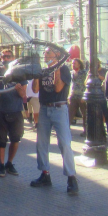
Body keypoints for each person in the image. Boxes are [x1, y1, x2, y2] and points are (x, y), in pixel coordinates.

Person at [30, 47, 78, 195]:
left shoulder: (63, 70)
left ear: (57, 55)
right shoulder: (43, 70)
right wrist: (37, 73)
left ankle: (71, 178)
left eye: (48, 53)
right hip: (44, 108)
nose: (45, 55)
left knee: (64, 143)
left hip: (59, 108)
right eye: (44, 53)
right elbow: (35, 89)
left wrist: (56, 68)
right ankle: (45, 174)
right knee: (41, 143)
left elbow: (58, 88)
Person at [0, 50, 27, 177]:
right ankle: (1, 165)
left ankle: (9, 163)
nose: (6, 58)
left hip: (16, 110)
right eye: (3, 56)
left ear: (13, 57)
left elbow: (24, 96)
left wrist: (20, 90)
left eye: (8, 56)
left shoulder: (20, 72)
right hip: (0, 110)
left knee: (15, 139)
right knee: (1, 140)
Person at [68, 58, 87, 137]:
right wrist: (69, 95)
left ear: (79, 64)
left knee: (85, 114)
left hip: (81, 96)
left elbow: (86, 84)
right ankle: (66, 129)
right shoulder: (71, 73)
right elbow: (70, 84)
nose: (73, 65)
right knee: (69, 113)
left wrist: (85, 96)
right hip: (73, 95)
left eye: (75, 63)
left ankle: (86, 131)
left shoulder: (84, 73)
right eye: (72, 63)